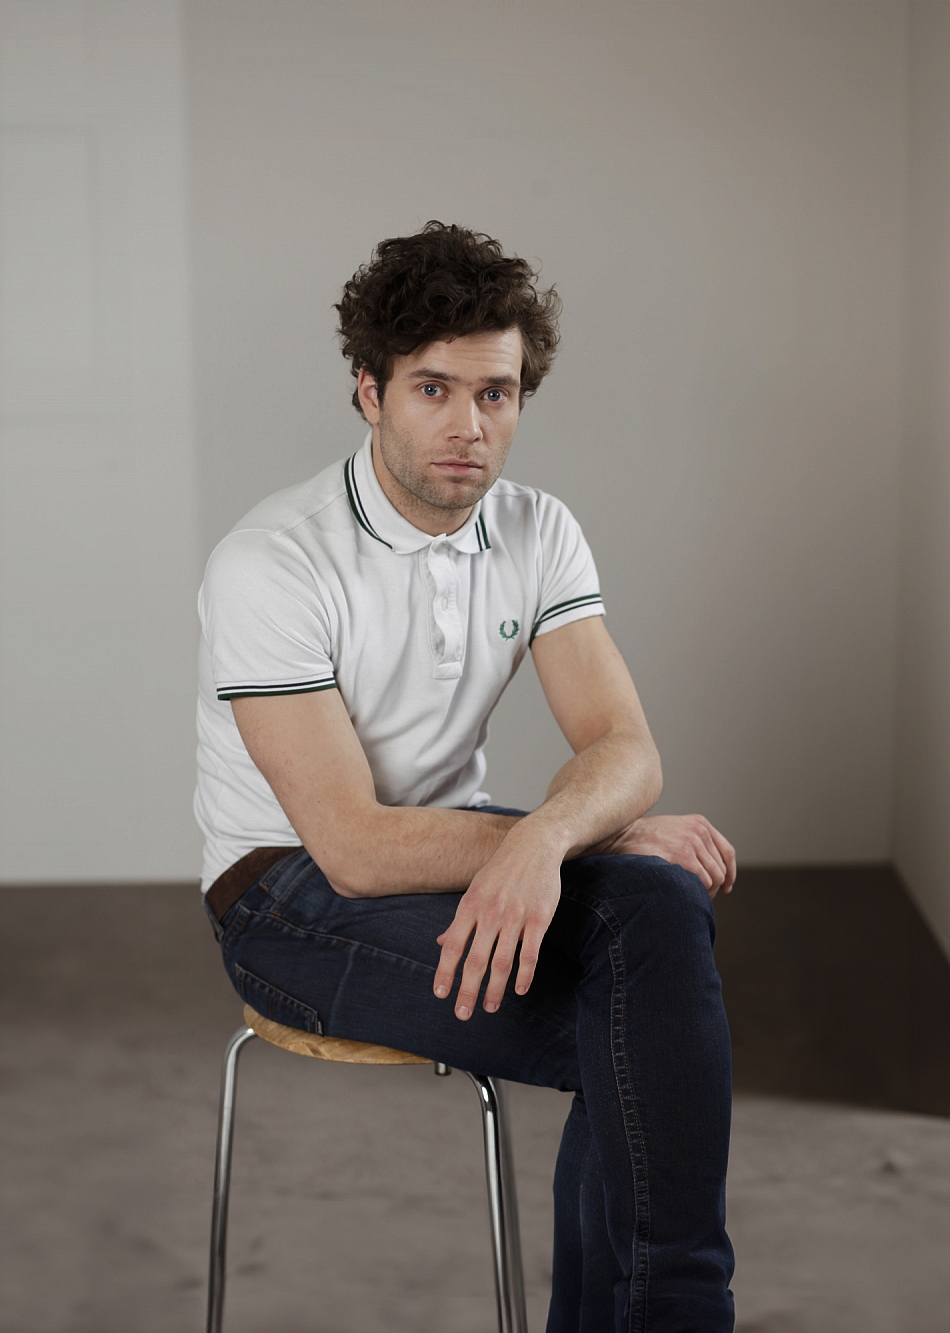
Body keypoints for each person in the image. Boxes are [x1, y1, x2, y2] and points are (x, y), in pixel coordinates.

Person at [195, 221, 736, 1332]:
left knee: (659, 917)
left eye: (495, 394)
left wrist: (549, 836)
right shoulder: (273, 561)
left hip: (454, 841)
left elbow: (624, 747)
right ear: (368, 392)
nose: (468, 426)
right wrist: (569, 831)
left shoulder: (537, 530)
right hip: (287, 893)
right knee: (643, 1030)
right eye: (433, 389)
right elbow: (351, 845)